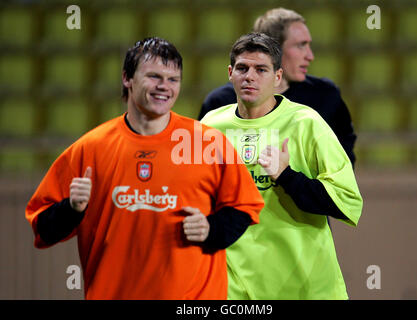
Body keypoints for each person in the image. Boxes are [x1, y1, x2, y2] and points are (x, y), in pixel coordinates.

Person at [25, 37, 264, 300]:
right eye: (154, 76)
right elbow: (42, 229)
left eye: (173, 79)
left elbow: (245, 208)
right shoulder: (90, 149)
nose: (164, 86)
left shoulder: (205, 143)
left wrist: (211, 230)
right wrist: (71, 209)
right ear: (127, 78)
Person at [201, 33, 363, 299]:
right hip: (234, 288)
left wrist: (287, 176)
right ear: (230, 73)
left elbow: (347, 201)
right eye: (242, 68)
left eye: (261, 69)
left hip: (304, 286)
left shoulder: (306, 123)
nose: (249, 76)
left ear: (278, 77)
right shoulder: (209, 126)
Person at [199, 7, 356, 166]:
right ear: (273, 49)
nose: (310, 56)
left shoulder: (325, 95)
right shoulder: (219, 103)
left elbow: (343, 163)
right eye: (301, 45)